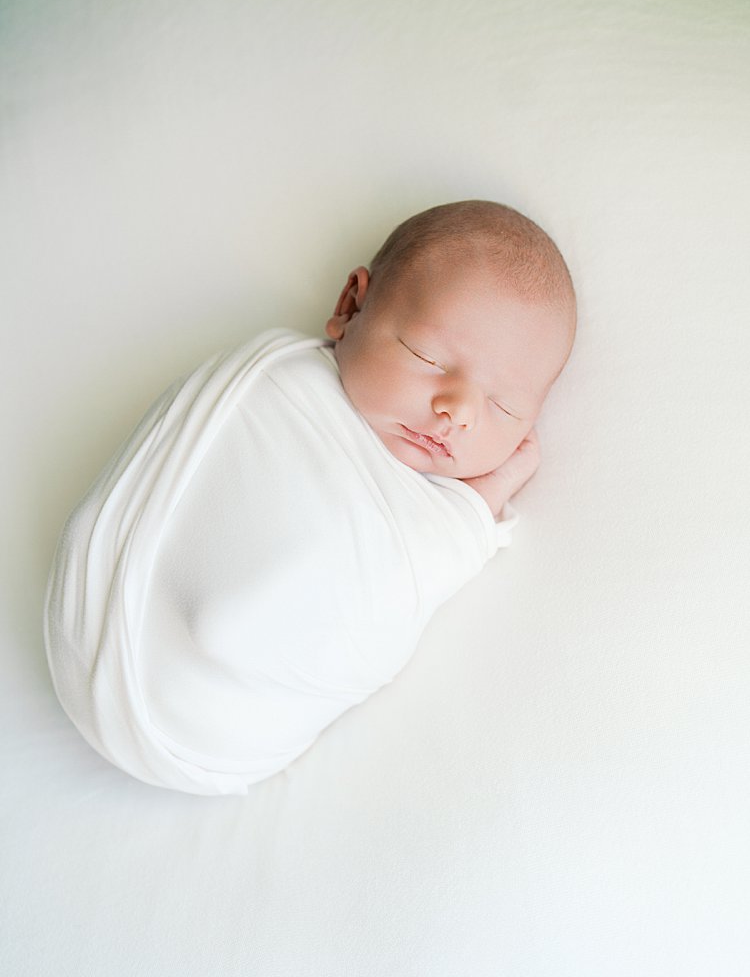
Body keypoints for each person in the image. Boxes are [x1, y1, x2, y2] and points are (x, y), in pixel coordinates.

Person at [44, 200, 576, 796]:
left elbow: (405, 574)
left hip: (210, 733)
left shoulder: (423, 517)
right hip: (92, 627)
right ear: (350, 306)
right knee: (227, 613)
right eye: (429, 358)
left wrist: (468, 513)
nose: (458, 410)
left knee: (245, 621)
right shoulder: (271, 382)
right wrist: (481, 508)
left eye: (504, 406)